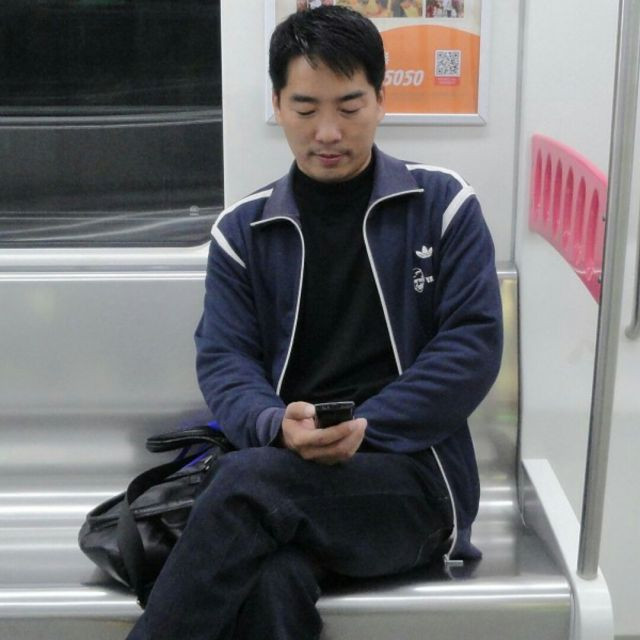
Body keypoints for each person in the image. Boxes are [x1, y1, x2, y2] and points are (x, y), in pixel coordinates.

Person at [126, 6, 502, 639]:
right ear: (278, 104)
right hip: (284, 479)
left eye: (350, 107)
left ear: (382, 100)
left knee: (245, 486)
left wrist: (366, 426)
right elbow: (224, 360)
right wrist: (275, 426)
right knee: (271, 579)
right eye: (305, 109)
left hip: (412, 484)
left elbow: (472, 346)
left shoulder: (443, 207)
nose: (328, 131)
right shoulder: (243, 232)